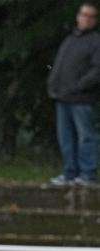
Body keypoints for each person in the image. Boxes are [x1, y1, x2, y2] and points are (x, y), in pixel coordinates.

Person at [48, 3, 100, 186]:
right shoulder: (69, 40)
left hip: (82, 99)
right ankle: (69, 172)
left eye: (90, 16)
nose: (86, 18)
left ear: (94, 20)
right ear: (78, 16)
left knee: (86, 136)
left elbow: (97, 70)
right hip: (63, 97)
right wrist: (52, 84)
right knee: (66, 138)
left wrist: (80, 86)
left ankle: (87, 174)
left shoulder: (96, 41)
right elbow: (58, 65)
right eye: (83, 14)